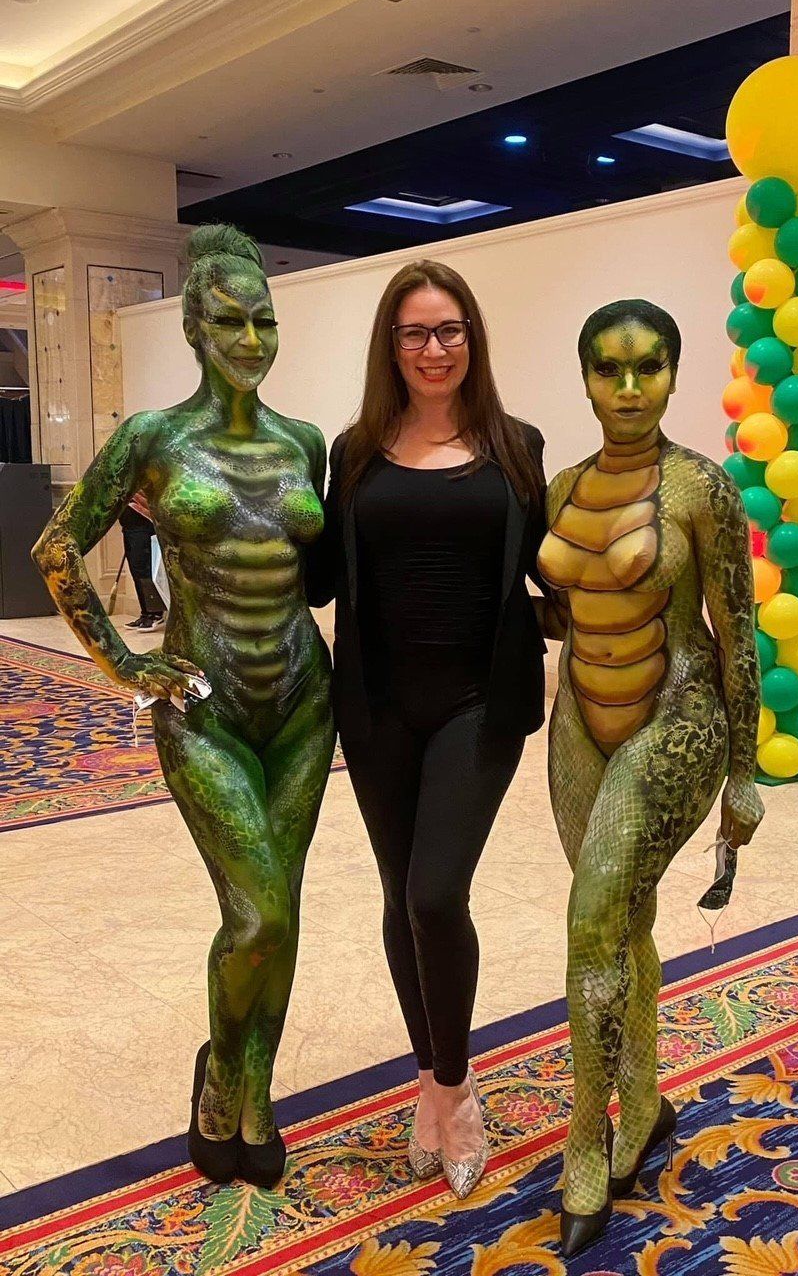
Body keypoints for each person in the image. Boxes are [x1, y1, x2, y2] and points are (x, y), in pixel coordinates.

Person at [32, 225, 334, 1189]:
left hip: (303, 704)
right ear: (196, 331)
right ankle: (221, 1073)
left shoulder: (305, 443)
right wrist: (123, 662)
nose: (250, 340)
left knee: (283, 908)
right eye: (230, 322)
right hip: (205, 707)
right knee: (256, 918)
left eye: (264, 322)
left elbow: (316, 569)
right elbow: (57, 547)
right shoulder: (153, 439)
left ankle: (258, 1091)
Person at [306, 259, 548, 1199]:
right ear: (392, 345)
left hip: (478, 703)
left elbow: (553, 565)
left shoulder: (516, 446)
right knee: (397, 895)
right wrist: (205, 527)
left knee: (436, 893)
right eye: (415, 333)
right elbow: (321, 576)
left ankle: (457, 1085)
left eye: (450, 330)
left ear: (472, 337)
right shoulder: (355, 450)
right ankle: (427, 1081)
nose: (434, 348)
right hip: (376, 706)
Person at [537, 299, 764, 1257]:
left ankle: (588, 1139)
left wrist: (745, 772)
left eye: (649, 368)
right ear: (586, 376)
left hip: (677, 714)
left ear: (673, 372)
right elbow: (568, 609)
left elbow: (738, 633)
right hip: (578, 720)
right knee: (622, 920)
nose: (629, 389)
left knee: (592, 920)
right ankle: (644, 1096)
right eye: (609, 369)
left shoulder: (701, 488)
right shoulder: (561, 486)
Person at [121, 491, 167, 630]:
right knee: (136, 570)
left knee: (145, 569)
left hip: (143, 526)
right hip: (128, 527)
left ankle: (155, 613)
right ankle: (145, 613)